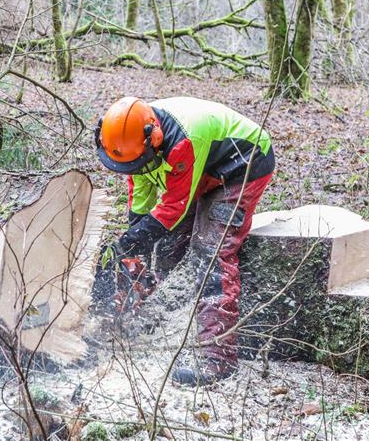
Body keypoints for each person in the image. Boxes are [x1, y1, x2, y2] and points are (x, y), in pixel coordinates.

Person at [95, 96, 275, 386]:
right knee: (169, 247)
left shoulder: (181, 142)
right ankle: (164, 324)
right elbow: (141, 198)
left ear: (154, 140)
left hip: (241, 164)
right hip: (201, 166)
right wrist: (131, 245)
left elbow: (172, 208)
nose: (135, 169)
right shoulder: (135, 142)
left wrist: (128, 243)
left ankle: (217, 357)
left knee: (211, 252)